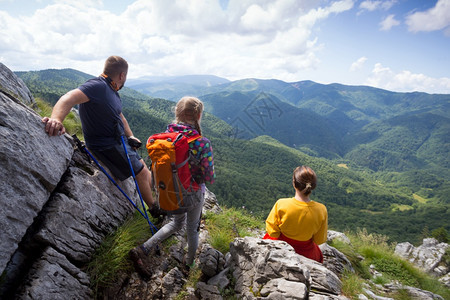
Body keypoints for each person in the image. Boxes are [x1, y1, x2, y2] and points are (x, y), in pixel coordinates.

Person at [41, 56, 154, 209]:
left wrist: (130, 136)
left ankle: (154, 200)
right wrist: (56, 119)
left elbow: (121, 116)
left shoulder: (111, 89)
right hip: (106, 146)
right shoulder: (97, 86)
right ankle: (154, 209)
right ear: (122, 75)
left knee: (145, 169)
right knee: (140, 173)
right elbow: (68, 98)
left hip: (118, 142)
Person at [129, 96, 215, 277]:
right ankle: (189, 265)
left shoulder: (163, 139)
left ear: (177, 113)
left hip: (168, 192)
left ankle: (144, 248)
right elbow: (208, 176)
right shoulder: (202, 142)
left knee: (176, 223)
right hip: (192, 195)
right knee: (191, 229)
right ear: (198, 115)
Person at [263, 166, 327, 263]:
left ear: (294, 183)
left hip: (280, 247)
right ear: (313, 186)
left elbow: (272, 232)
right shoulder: (321, 209)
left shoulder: (281, 204)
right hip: (307, 254)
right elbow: (319, 240)